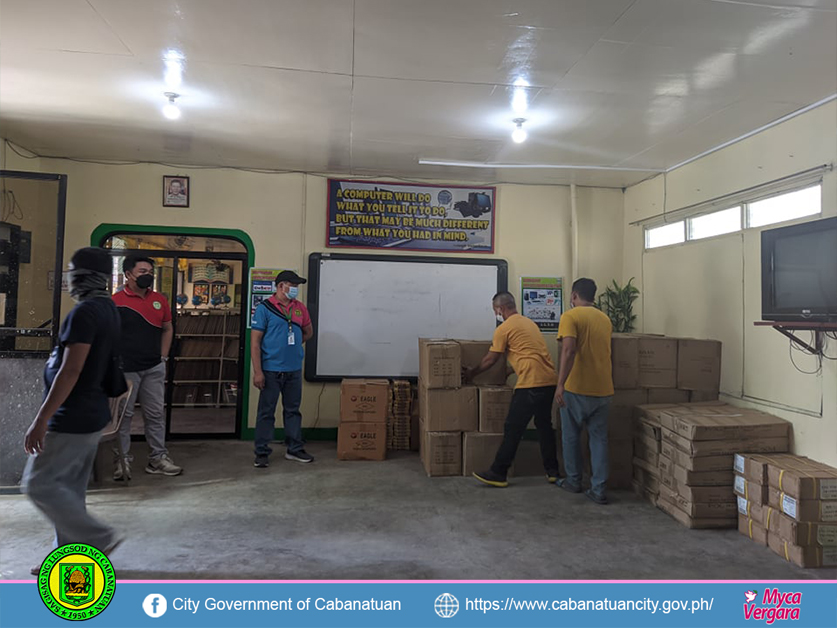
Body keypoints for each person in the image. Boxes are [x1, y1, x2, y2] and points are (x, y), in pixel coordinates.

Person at [22, 247, 124, 574]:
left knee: (38, 484)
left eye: (71, 271)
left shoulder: (84, 314)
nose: (68, 279)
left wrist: (41, 419)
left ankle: (99, 536)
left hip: (72, 415)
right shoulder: (108, 308)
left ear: (84, 276)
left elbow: (71, 370)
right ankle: (68, 557)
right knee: (69, 490)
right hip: (91, 413)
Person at [466, 292, 560, 488]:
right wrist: (510, 370)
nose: (496, 314)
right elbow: (528, 352)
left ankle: (498, 472)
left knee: (513, 428)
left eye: (495, 310)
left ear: (500, 309)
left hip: (531, 383)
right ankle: (553, 472)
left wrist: (472, 374)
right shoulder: (529, 323)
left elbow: (491, 359)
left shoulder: (504, 328)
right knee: (544, 426)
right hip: (549, 379)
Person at [112, 255, 181, 478]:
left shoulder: (160, 299)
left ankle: (158, 459)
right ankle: (122, 462)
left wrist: (163, 357)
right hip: (126, 369)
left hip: (154, 367)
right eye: (142, 271)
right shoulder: (115, 301)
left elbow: (168, 328)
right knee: (124, 417)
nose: (148, 275)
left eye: (150, 271)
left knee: (155, 414)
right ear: (128, 274)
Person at [554, 278, 614, 505]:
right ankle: (598, 489)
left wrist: (560, 384)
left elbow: (568, 350)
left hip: (577, 388)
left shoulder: (570, 316)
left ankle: (574, 481)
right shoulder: (604, 319)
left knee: (571, 437)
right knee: (599, 440)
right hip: (603, 389)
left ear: (573, 295)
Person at [252, 270, 314, 468]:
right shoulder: (264, 308)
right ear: (280, 286)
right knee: (266, 413)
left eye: (296, 286)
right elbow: (255, 343)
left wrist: (292, 346)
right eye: (292, 285)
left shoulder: (300, 308)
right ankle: (261, 453)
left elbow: (308, 332)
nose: (295, 289)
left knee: (293, 411)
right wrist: (258, 372)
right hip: (270, 371)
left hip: (294, 370)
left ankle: (294, 449)